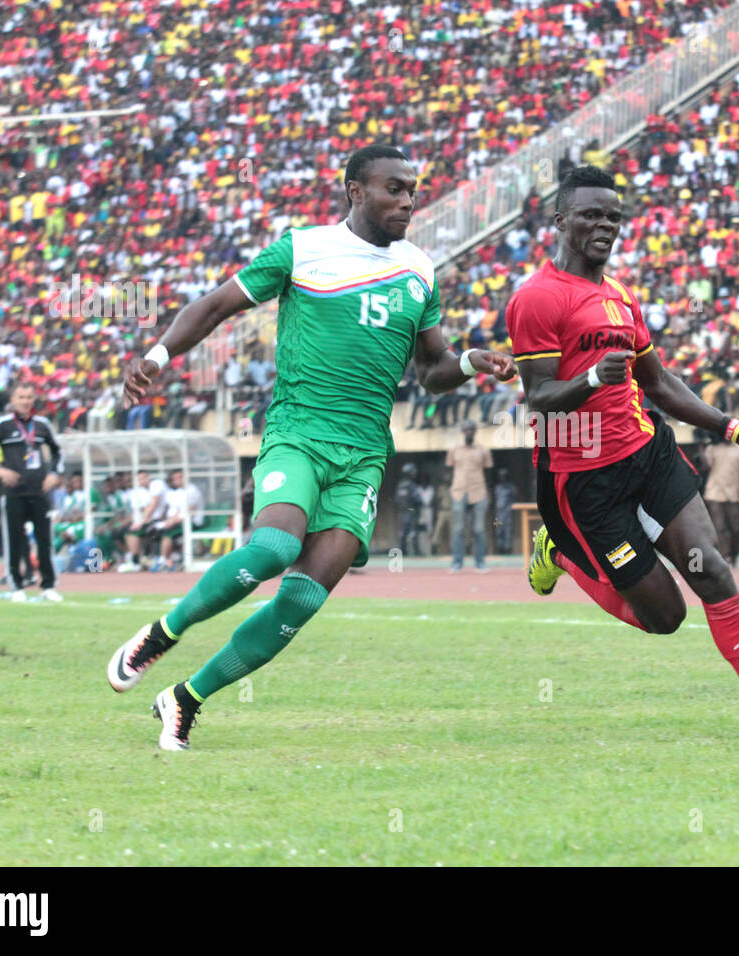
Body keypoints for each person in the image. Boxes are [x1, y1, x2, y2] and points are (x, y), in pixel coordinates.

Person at [106, 145, 516, 750]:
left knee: (299, 601)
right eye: (394, 189)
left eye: (412, 190)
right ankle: (163, 633)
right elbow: (216, 305)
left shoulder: (418, 269)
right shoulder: (304, 249)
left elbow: (431, 370)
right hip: (299, 431)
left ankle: (185, 699)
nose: (407, 201)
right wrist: (157, 355)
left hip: (364, 457)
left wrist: (470, 361)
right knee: (273, 547)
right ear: (355, 190)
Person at [508, 166, 739, 703]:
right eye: (592, 214)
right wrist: (591, 378)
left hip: (647, 453)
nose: (606, 225)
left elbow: (656, 382)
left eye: (614, 216)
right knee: (666, 617)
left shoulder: (620, 295)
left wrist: (736, 428)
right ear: (560, 219)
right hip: (584, 480)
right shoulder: (537, 299)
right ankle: (561, 554)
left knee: (713, 571)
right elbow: (538, 399)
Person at [0, 380, 65, 602]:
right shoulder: (2, 425)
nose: (25, 402)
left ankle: (48, 586)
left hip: (39, 491)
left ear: (34, 400)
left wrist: (54, 473)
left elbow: (58, 452)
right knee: (14, 540)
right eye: (21, 398)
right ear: (13, 400)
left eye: (29, 398)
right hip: (14, 492)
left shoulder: (42, 424)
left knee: (45, 540)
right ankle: (17, 587)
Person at [447, 420, 493, 572]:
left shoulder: (483, 449)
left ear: (475, 431)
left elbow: (488, 470)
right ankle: (457, 563)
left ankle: (480, 563)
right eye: (466, 430)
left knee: (479, 529)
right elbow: (450, 469)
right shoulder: (454, 449)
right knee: (458, 529)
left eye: (471, 430)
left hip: (479, 491)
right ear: (462, 431)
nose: (469, 432)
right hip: (459, 491)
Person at [702, 432, 739, 567]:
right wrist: (701, 447)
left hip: (734, 493)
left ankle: (734, 554)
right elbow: (705, 467)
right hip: (714, 492)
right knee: (719, 527)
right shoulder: (712, 449)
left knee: (736, 527)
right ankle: (723, 557)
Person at [153, 469, 205, 571]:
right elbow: (177, 511)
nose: (178, 480)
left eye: (180, 477)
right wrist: (169, 521)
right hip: (181, 521)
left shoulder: (192, 490)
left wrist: (171, 522)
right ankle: (171, 558)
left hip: (193, 522)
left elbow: (189, 511)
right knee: (158, 531)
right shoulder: (179, 491)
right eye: (175, 479)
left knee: (169, 531)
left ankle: (162, 561)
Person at [118, 470, 168, 572]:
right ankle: (138, 559)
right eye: (138, 479)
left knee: (132, 532)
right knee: (125, 531)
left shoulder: (156, 484)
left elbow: (153, 505)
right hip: (154, 520)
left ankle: (136, 562)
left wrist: (142, 523)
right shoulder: (143, 491)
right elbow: (143, 509)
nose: (141, 481)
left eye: (142, 478)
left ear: (148, 477)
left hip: (161, 520)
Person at [395, 462, 423, 556]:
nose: (414, 474)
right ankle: (416, 552)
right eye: (412, 472)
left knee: (403, 532)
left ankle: (402, 551)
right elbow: (417, 499)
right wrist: (420, 502)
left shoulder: (401, 485)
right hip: (411, 510)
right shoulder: (411, 485)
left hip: (402, 511)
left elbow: (397, 499)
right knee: (413, 531)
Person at [492, 467, 517, 555]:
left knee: (508, 530)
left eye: (504, 476)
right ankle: (500, 549)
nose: (502, 478)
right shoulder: (497, 488)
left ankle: (508, 550)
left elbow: (514, 497)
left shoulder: (511, 487)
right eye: (500, 476)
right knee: (499, 530)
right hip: (498, 514)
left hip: (508, 513)